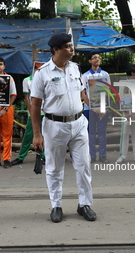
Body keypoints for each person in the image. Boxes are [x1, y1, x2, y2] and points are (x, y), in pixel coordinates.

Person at [31, 33, 96, 223]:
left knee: (84, 165)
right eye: (67, 46)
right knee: (54, 168)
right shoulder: (42, 73)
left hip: (78, 123)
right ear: (56, 49)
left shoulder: (75, 69)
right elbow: (35, 105)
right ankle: (56, 205)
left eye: (71, 45)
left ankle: (84, 204)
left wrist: (92, 102)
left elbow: (82, 92)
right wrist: (37, 134)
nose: (71, 49)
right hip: (54, 126)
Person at [11, 70, 45, 166]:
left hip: (46, 111)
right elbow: (26, 97)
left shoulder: (46, 78)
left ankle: (44, 156)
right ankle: (21, 156)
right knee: (29, 135)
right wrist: (31, 111)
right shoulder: (27, 80)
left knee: (45, 135)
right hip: (35, 111)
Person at [81, 51, 110, 164]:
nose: (97, 59)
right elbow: (83, 93)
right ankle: (92, 156)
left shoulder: (105, 75)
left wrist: (104, 107)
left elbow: (108, 92)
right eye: (94, 58)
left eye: (99, 58)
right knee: (90, 133)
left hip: (103, 107)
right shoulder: (85, 76)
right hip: (90, 108)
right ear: (90, 61)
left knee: (102, 132)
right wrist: (91, 106)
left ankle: (103, 155)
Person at [116, 65, 135, 163]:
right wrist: (126, 112)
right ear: (132, 73)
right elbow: (121, 98)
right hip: (127, 112)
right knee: (124, 133)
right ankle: (122, 155)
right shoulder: (124, 84)